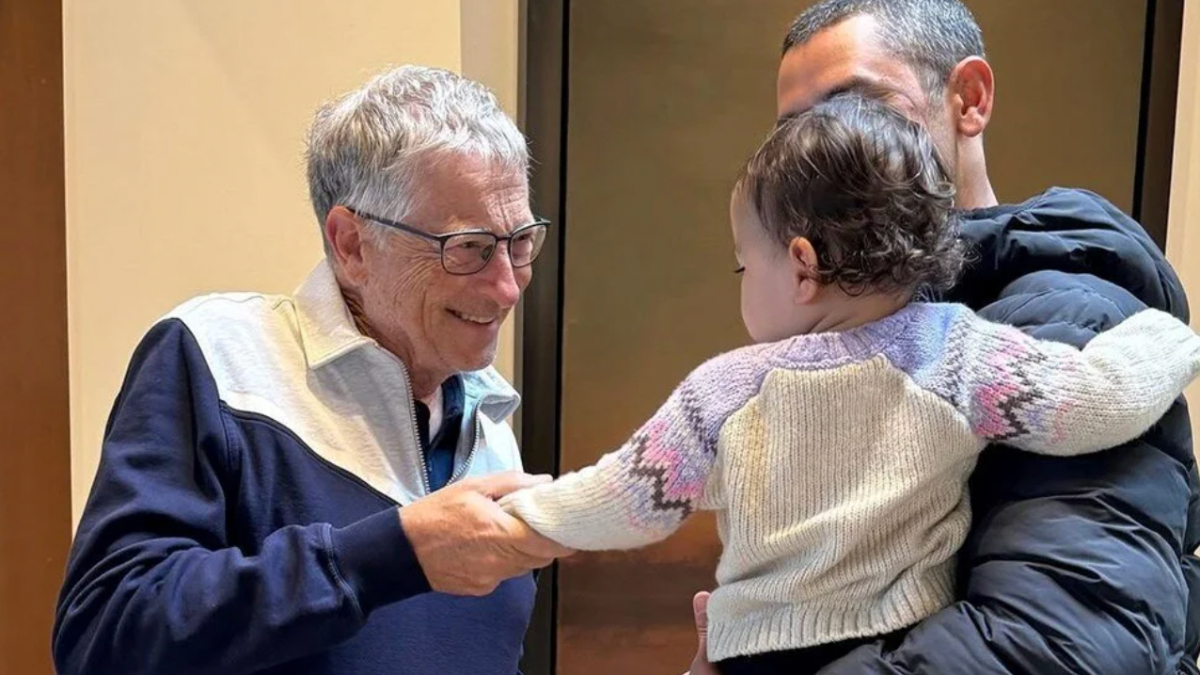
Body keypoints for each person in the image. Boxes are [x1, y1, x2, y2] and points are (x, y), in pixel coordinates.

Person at [498, 91, 1200, 675]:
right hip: (900, 642)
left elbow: (627, 498)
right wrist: (1166, 338)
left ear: (802, 266)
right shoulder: (959, 355)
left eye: (744, 264)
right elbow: (1095, 401)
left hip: (751, 657)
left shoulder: (724, 392)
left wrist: (526, 511)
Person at [688, 1, 1200, 673]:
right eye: (796, 133)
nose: (824, 153)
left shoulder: (1062, 319)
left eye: (859, 105)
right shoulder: (848, 335)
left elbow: (1062, 647)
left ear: (969, 100)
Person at [52, 66, 571, 675]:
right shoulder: (218, 359)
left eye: (520, 242)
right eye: (469, 248)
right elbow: (103, 634)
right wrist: (393, 554)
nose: (508, 287)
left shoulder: (492, 428)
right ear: (351, 244)